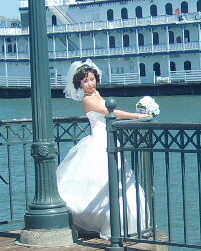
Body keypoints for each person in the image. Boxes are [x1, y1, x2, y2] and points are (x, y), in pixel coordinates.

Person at [55, 59, 152, 238]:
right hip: (99, 142)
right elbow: (111, 112)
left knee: (120, 182)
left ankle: (129, 223)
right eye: (85, 81)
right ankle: (109, 224)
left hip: (109, 140)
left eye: (92, 79)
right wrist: (136, 115)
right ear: (80, 84)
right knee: (102, 183)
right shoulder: (87, 101)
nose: (90, 83)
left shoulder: (97, 94)